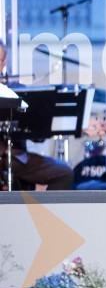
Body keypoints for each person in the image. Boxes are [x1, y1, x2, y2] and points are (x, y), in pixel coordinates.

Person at [0, 42, 74, 190]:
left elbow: (37, 133)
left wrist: (39, 127)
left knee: (64, 173)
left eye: (0, 60)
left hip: (16, 157)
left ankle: (46, 213)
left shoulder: (19, 91)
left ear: (5, 61)